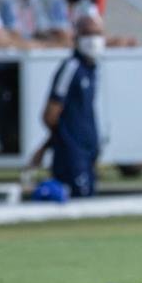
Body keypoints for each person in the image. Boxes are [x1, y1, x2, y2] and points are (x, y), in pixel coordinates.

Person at [40, 14, 104, 198]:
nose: (94, 40)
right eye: (88, 34)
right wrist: (62, 141)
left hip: (87, 150)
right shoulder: (71, 67)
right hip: (71, 153)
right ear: (77, 37)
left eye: (98, 34)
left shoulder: (91, 69)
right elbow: (50, 114)